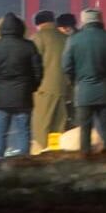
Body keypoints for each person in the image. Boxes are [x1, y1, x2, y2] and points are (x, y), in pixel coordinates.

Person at [61, 8, 106, 156]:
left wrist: (76, 82)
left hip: (83, 92)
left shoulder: (74, 39)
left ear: (84, 21)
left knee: (85, 129)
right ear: (100, 20)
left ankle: (86, 160)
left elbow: (66, 66)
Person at [0, 12, 42, 157]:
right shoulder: (29, 46)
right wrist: (31, 88)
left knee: (0, 133)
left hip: (1, 98)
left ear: (1, 29)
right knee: (24, 132)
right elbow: (38, 71)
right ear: (21, 28)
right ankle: (25, 162)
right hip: (23, 96)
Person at [30, 10, 69, 151]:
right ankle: (55, 153)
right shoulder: (65, 38)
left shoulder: (37, 38)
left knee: (42, 126)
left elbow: (32, 64)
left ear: (38, 24)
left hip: (43, 90)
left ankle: (40, 156)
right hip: (63, 88)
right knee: (58, 126)